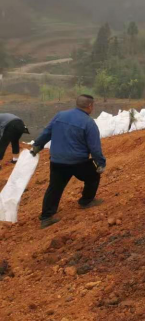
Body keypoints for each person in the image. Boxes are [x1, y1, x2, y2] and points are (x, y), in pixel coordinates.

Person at [31, 95, 106, 229]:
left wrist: (37, 145)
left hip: (57, 161)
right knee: (93, 176)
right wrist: (100, 163)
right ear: (90, 106)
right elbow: (94, 147)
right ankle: (86, 201)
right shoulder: (89, 123)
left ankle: (46, 217)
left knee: (54, 187)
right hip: (78, 162)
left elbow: (47, 132)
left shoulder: (60, 115)